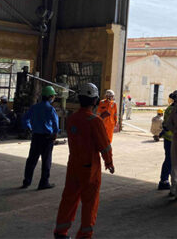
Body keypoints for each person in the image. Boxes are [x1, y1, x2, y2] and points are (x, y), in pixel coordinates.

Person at [53, 83, 114, 239]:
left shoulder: (72, 119)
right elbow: (104, 146)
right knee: (90, 203)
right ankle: (85, 235)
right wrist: (109, 162)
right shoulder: (95, 121)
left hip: (73, 165)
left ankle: (60, 232)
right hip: (89, 168)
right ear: (94, 101)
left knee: (69, 199)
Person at [21, 86, 60, 190]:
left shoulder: (34, 107)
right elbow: (56, 123)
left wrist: (29, 128)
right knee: (46, 160)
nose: (53, 98)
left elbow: (25, 119)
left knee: (32, 160)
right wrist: (55, 134)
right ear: (50, 97)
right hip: (47, 138)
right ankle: (43, 182)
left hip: (36, 137)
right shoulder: (50, 109)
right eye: (53, 96)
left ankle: (27, 181)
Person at [157, 90, 177, 191]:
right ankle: (164, 181)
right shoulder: (176, 110)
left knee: (169, 159)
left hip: (168, 138)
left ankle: (164, 180)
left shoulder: (170, 108)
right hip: (173, 139)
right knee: (171, 161)